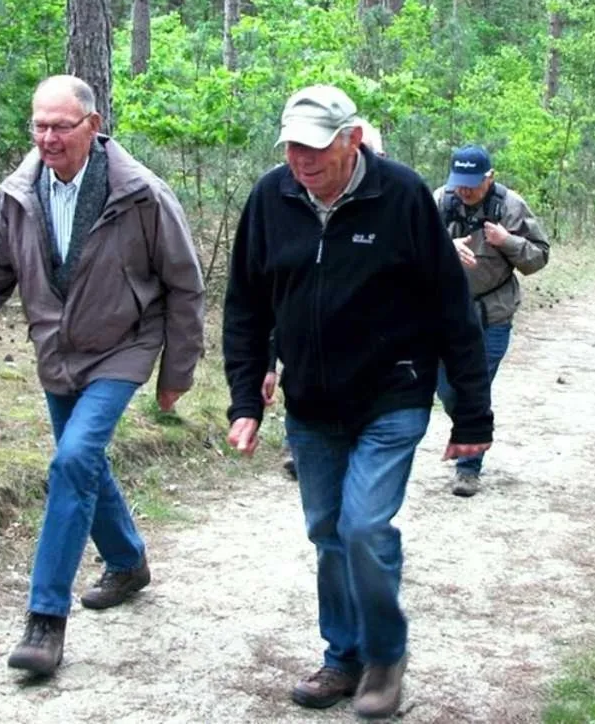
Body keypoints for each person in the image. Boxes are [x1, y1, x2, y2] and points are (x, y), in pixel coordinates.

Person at [224, 86, 493, 719]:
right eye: (292, 146)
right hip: (312, 402)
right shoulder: (272, 197)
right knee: (327, 533)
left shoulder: (399, 196)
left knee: (364, 527)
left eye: (315, 147)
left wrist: (472, 415)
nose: (301, 160)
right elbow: (246, 304)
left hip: (391, 394)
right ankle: (341, 656)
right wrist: (246, 399)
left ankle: (384, 656)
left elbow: (451, 308)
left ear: (352, 140)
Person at [0, 75, 205, 677]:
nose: (47, 138)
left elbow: (184, 285)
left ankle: (44, 620)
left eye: (61, 126)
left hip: (125, 346)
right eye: (39, 125)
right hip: (56, 350)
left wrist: (176, 371)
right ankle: (128, 561)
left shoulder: (141, 194)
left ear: (93, 125)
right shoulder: (18, 193)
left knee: (73, 460)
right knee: (83, 462)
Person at [266, 116, 385, 481]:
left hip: (380, 375)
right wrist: (265, 361)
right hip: (308, 364)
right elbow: (266, 295)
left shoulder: (397, 200)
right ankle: (297, 444)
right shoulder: (283, 201)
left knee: (362, 514)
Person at [432, 145, 549, 498]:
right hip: (445, 315)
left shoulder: (511, 207)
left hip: (493, 314)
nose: (463, 191)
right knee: (447, 388)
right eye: (459, 183)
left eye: (471, 184)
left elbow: (539, 257)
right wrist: (445, 246)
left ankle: (468, 468)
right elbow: (409, 249)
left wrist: (508, 241)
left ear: (490, 178)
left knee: (475, 388)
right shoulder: (440, 201)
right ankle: (471, 428)